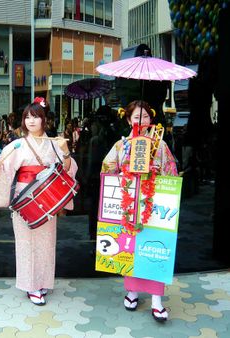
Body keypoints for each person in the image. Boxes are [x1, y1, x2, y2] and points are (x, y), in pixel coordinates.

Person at [0, 97, 78, 305]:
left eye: (35, 117)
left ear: (44, 120)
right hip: (24, 196)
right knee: (26, 242)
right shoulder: (17, 144)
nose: (31, 121)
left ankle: (44, 281)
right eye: (27, 117)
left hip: (47, 196)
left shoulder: (54, 143)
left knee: (47, 241)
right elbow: (4, 166)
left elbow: (67, 169)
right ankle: (31, 285)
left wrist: (65, 152)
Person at [101, 100, 178, 322]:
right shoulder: (121, 145)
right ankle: (132, 292)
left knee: (156, 247)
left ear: (151, 119)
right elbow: (107, 169)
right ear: (128, 119)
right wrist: (125, 171)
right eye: (137, 117)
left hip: (154, 204)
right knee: (131, 247)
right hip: (130, 204)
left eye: (145, 117)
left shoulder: (160, 145)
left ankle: (156, 300)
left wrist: (156, 171)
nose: (141, 121)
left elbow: (171, 171)